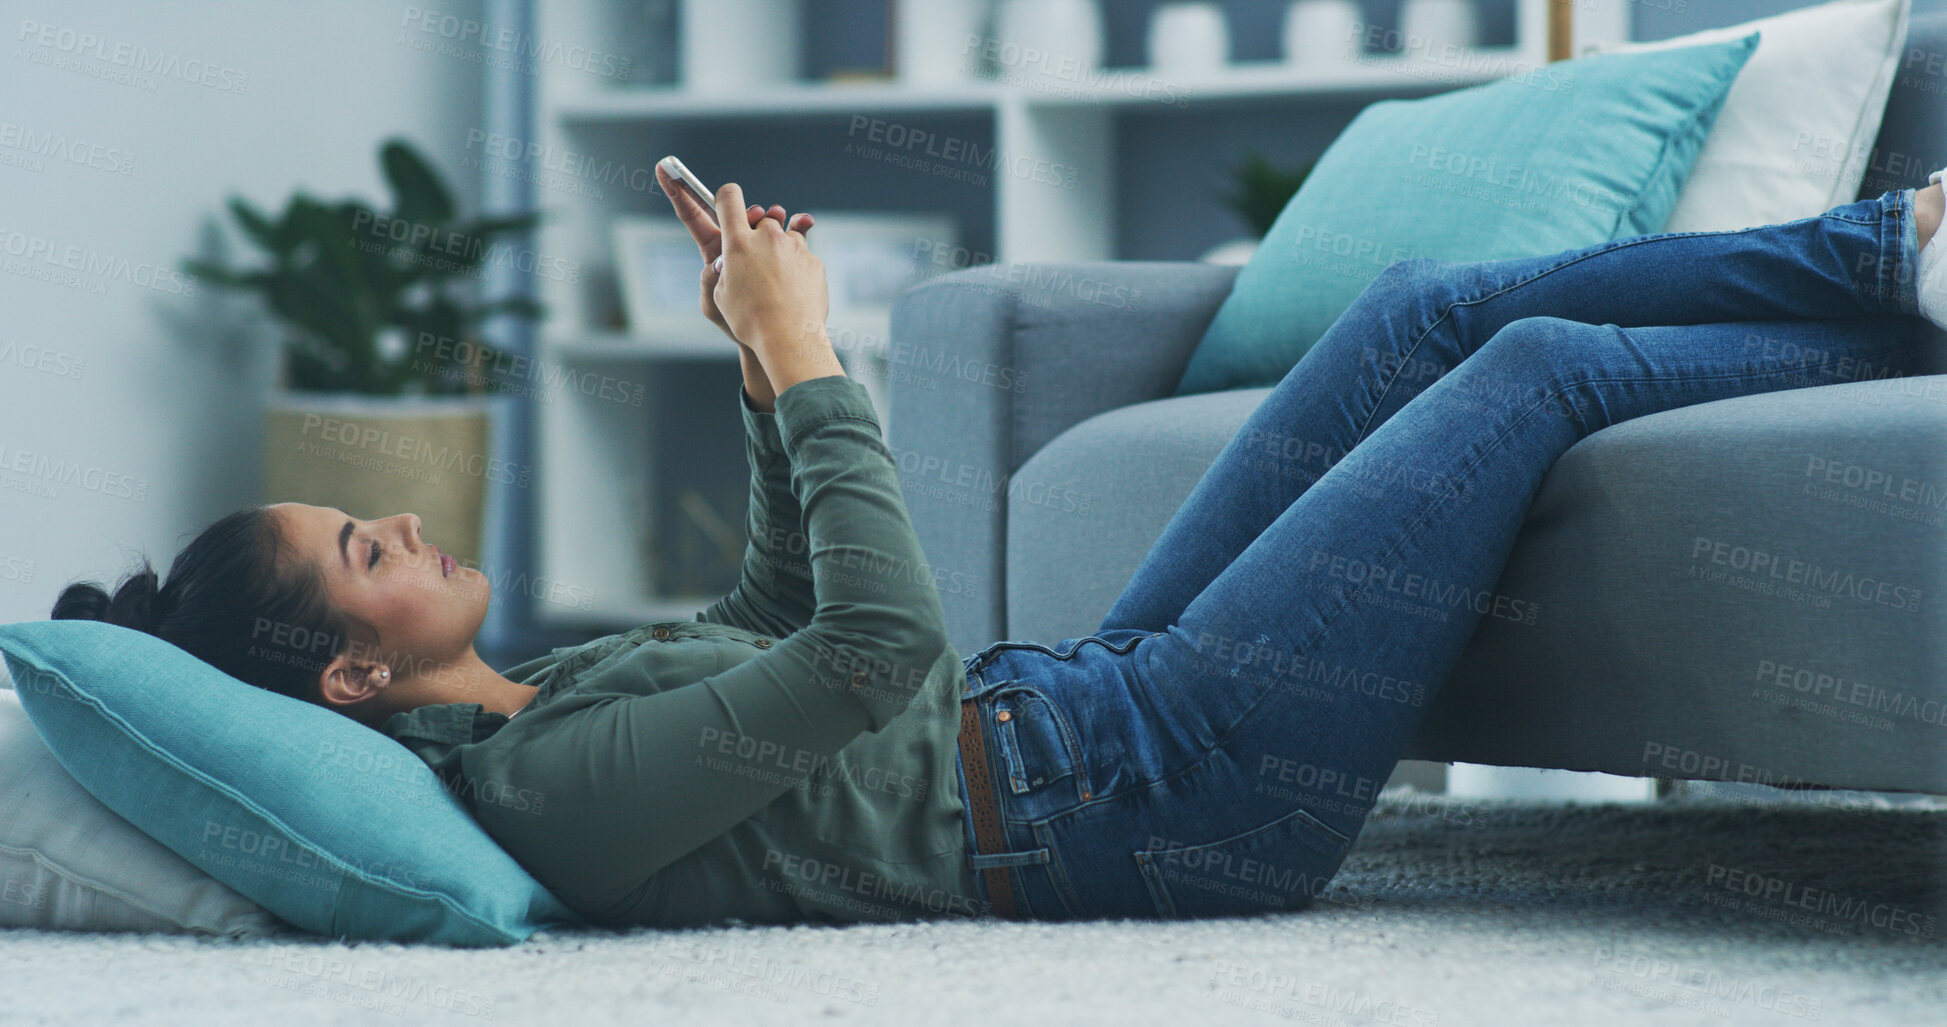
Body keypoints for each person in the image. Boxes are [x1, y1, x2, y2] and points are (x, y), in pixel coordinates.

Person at [53, 161, 1947, 926]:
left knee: (1420, 312)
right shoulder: (545, 790)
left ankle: (1893, 255)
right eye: (359, 549)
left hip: (1091, 709)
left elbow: (781, 608)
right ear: (351, 676)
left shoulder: (556, 687)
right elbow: (875, 656)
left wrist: (746, 363)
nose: (398, 517)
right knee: (1528, 371)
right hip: (1163, 798)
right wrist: (810, 358)